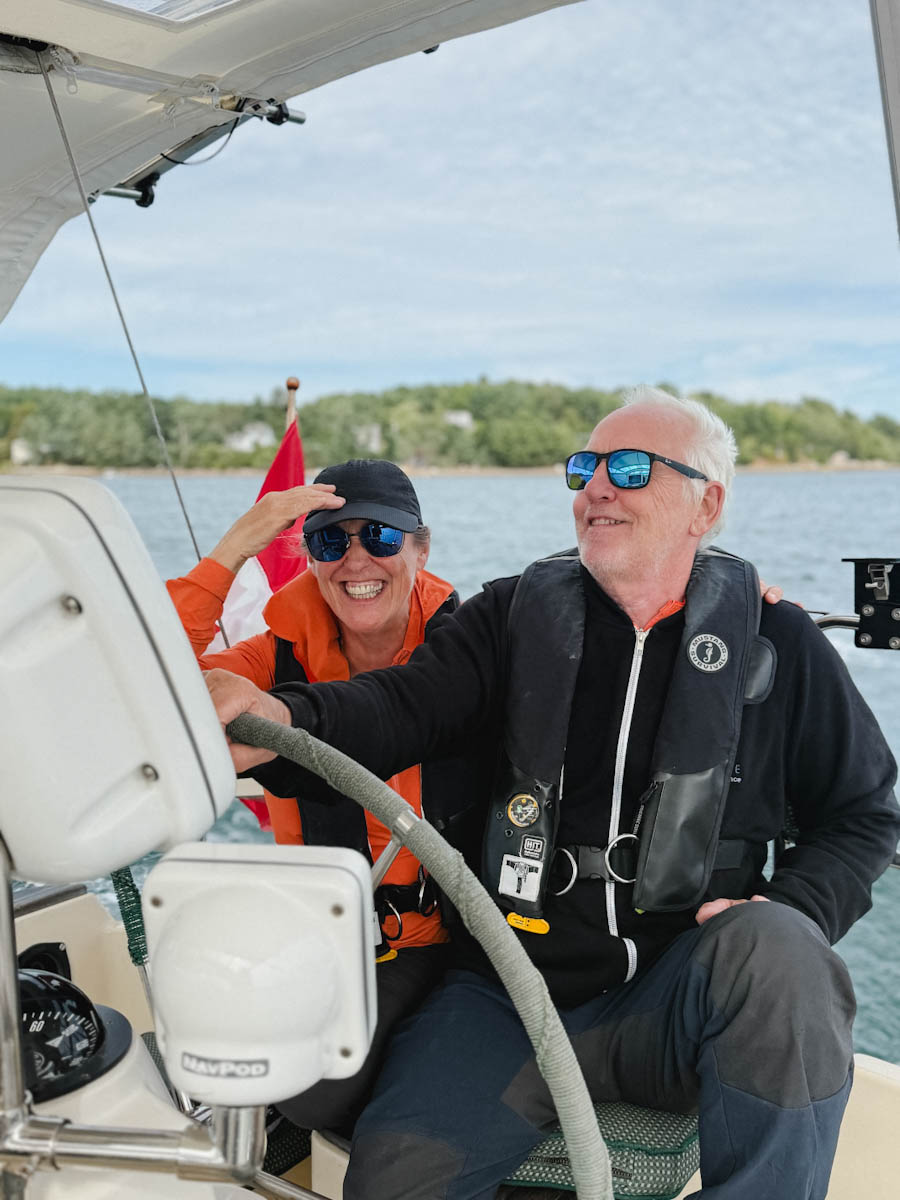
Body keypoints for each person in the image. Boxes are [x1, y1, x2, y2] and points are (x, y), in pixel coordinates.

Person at [207, 389, 892, 1200]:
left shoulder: (779, 645)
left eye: (630, 469)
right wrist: (285, 713)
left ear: (705, 503)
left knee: (783, 949)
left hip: (678, 1002)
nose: (596, 487)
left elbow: (863, 815)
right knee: (396, 1178)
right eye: (585, 468)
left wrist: (795, 905)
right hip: (507, 991)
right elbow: (403, 704)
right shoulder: (512, 618)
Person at [167, 458, 464, 1134]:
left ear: (420, 547)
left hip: (457, 939)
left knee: (318, 1097)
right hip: (326, 935)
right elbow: (140, 679)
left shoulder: (466, 650)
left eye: (382, 538)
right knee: (259, 1070)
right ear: (309, 558)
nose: (356, 559)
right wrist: (235, 546)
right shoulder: (274, 657)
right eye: (332, 541)